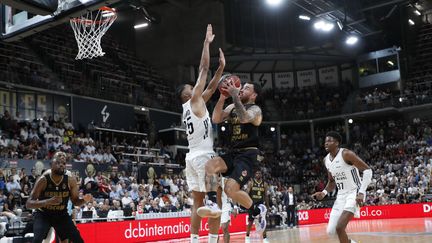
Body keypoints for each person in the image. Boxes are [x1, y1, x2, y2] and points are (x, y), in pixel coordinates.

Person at [176, 24, 225, 243]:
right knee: (216, 201)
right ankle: (213, 241)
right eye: (191, 87)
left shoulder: (191, 107)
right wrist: (206, 43)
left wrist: (221, 70)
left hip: (191, 158)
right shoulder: (193, 100)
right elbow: (203, 70)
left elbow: (212, 88)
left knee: (197, 203)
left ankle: (195, 240)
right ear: (187, 93)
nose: (194, 87)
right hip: (205, 157)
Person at [197, 79, 267, 230]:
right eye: (241, 88)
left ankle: (257, 211)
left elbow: (244, 118)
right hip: (233, 152)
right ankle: (212, 203)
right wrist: (222, 97)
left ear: (254, 95)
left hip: (249, 154)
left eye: (246, 88)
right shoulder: (231, 107)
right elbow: (215, 119)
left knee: (230, 190)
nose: (241, 90)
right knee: (210, 165)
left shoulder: (256, 110)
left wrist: (235, 95)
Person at [312, 131, 373, 243]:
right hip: (341, 195)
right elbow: (331, 182)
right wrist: (324, 193)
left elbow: (368, 170)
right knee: (331, 231)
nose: (326, 143)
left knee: (340, 227)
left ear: (337, 143)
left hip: (354, 192)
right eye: (325, 141)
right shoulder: (326, 160)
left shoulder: (346, 154)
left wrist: (362, 192)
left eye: (329, 141)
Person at [26, 151, 93, 243]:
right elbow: (29, 204)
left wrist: (84, 200)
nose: (61, 165)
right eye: (58, 162)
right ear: (51, 164)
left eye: (64, 163)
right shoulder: (43, 179)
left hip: (61, 214)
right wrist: (48, 201)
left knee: (78, 240)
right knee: (37, 240)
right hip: (44, 214)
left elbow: (75, 202)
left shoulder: (70, 180)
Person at [245, 170, 269, 243]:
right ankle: (247, 236)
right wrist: (247, 204)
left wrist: (267, 206)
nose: (258, 174)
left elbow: (266, 196)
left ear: (261, 174)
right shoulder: (251, 183)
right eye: (256, 173)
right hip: (252, 205)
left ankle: (265, 238)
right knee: (250, 222)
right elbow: (246, 194)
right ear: (254, 174)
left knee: (263, 221)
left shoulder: (264, 184)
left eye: (259, 173)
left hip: (261, 206)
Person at [220, 177, 238, 243]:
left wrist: (235, 207)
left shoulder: (225, 180)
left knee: (224, 227)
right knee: (215, 230)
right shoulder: (211, 180)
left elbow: (233, 193)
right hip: (216, 206)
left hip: (226, 206)